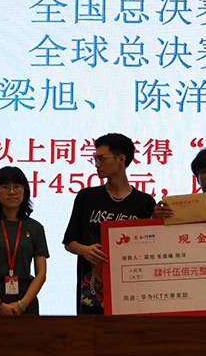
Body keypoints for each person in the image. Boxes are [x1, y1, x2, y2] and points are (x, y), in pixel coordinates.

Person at [63, 133, 156, 314]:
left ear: (121, 159)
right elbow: (69, 242)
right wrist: (84, 250)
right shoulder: (86, 197)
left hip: (131, 290)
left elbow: (148, 248)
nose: (97, 164)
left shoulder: (144, 202)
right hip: (91, 293)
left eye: (102, 158)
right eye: (95, 159)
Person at [0, 166, 49, 315]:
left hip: (26, 300)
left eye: (17, 186)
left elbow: (41, 273)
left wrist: (22, 305)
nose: (12, 192)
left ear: (25, 191)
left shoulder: (35, 227)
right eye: (5, 187)